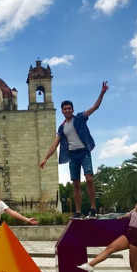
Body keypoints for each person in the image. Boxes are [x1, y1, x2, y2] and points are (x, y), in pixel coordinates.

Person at [39, 82, 109, 218]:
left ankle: (93, 208)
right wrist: (45, 159)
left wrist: (102, 93)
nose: (67, 111)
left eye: (69, 108)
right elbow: (54, 145)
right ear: (62, 111)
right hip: (73, 156)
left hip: (84, 152)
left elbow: (95, 107)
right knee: (75, 184)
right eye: (64, 109)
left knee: (89, 179)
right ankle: (78, 212)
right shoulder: (62, 128)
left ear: (72, 109)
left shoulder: (80, 118)